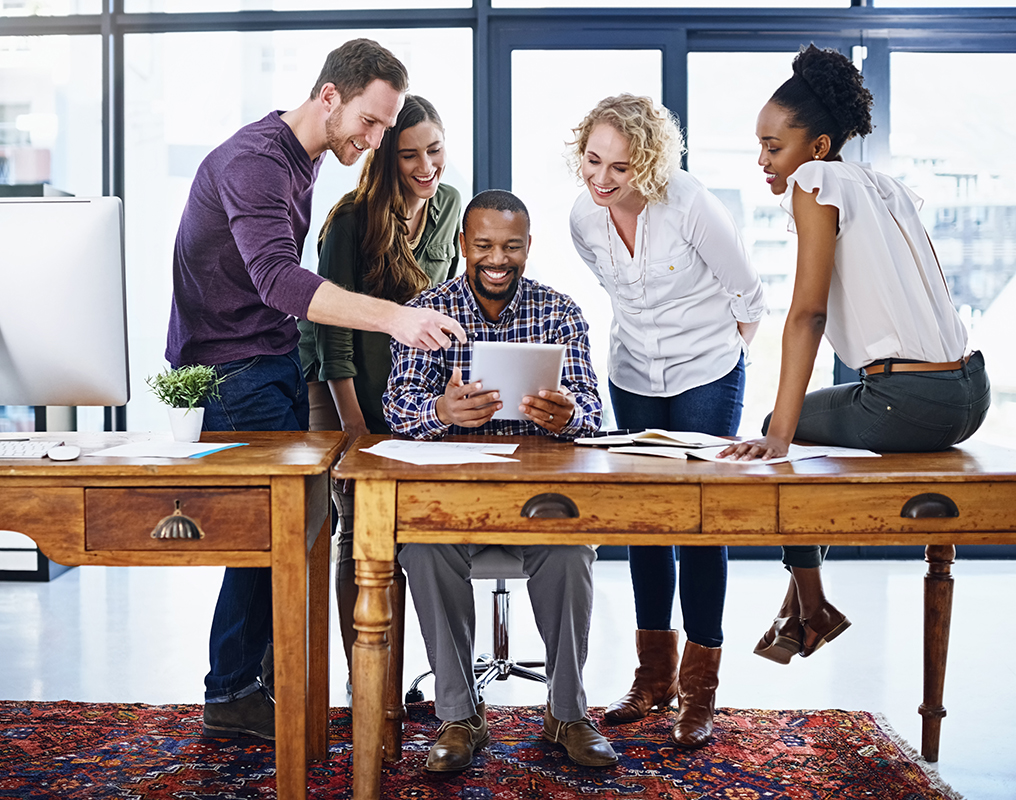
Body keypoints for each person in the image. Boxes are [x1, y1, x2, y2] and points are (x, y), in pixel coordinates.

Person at [165, 38, 466, 742]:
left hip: (266, 361)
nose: (374, 141)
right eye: (370, 123)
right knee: (269, 539)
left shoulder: (297, 159)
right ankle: (236, 691)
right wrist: (397, 319)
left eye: (385, 129)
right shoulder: (254, 163)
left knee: (286, 538)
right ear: (329, 96)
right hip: (234, 372)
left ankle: (260, 684)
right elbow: (278, 280)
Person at [718, 45, 990, 663]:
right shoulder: (883, 184)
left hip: (913, 399)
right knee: (803, 434)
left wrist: (778, 434)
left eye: (773, 146)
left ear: (815, 148)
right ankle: (800, 610)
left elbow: (808, 312)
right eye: (759, 145)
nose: (763, 159)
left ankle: (812, 607)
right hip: (970, 391)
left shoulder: (816, 183)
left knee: (773, 433)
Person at [383, 189, 618, 771]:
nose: (497, 258)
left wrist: (568, 417)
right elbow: (397, 406)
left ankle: (567, 712)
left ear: (528, 248)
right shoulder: (430, 311)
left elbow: (593, 411)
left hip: (535, 500)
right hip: (455, 500)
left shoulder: (559, 311)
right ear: (463, 244)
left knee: (570, 551)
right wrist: (441, 412)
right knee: (421, 548)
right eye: (484, 245)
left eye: (511, 247)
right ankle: (459, 717)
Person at [567, 94, 765, 748]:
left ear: (648, 163)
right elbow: (615, 293)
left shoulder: (689, 204)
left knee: (701, 524)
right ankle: (653, 679)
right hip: (632, 374)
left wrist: (723, 351)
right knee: (647, 519)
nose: (601, 178)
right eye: (593, 160)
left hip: (707, 370)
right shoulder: (583, 220)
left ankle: (700, 692)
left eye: (618, 167)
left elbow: (747, 292)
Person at [298, 95, 462, 678]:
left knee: (410, 529)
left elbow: (449, 304)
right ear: (386, 158)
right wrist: (356, 430)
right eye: (410, 156)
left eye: (435, 151)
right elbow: (332, 336)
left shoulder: (448, 206)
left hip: (414, 401)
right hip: (345, 392)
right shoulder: (349, 222)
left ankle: (411, 670)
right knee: (356, 533)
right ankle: (365, 676)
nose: (426, 167)